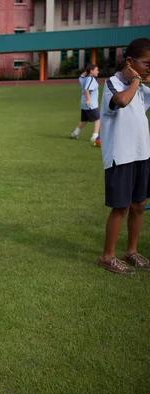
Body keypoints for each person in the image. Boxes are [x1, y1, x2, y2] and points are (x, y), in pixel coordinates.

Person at [97, 38, 150, 275]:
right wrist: (136, 79)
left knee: (138, 205)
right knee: (121, 207)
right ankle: (108, 256)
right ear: (130, 62)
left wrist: (140, 80)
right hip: (121, 156)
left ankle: (131, 251)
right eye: (147, 63)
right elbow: (121, 101)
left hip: (141, 154)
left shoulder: (140, 88)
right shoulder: (113, 83)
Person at [71, 63, 101, 143]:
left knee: (84, 120)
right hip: (91, 104)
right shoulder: (91, 79)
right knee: (98, 119)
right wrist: (88, 100)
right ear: (91, 71)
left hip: (84, 104)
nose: (98, 72)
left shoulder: (84, 78)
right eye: (96, 70)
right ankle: (95, 136)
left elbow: (81, 75)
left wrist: (88, 71)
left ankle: (75, 133)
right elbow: (86, 89)